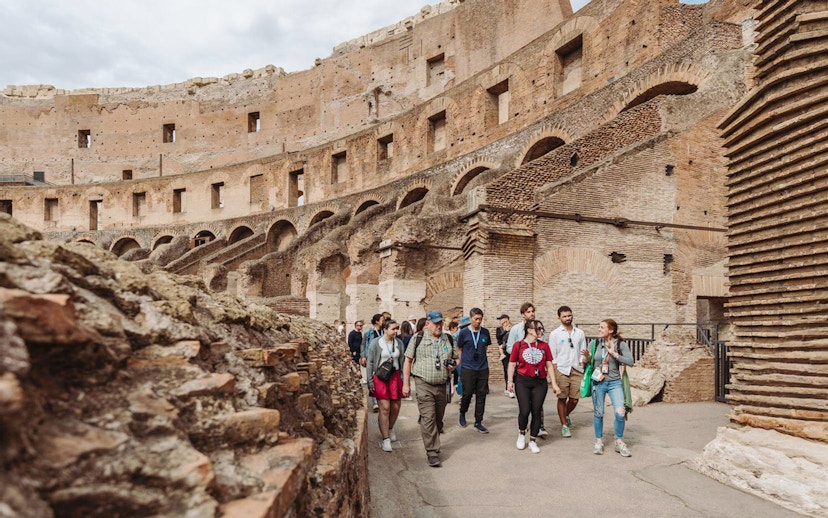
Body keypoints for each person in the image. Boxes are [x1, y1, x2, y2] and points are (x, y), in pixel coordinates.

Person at [402, 310, 458, 467]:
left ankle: (434, 436)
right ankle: (432, 452)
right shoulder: (418, 338)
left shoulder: (448, 338)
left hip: (442, 384)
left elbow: (456, 358)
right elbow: (408, 361)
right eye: (436, 323)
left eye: (441, 323)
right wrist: (406, 383)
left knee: (438, 418)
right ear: (428, 324)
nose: (439, 326)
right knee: (428, 418)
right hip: (423, 383)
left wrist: (454, 366)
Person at [507, 320, 560, 454]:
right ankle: (521, 433)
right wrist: (509, 382)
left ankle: (532, 440)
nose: (542, 331)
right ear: (530, 330)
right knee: (524, 410)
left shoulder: (544, 346)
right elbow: (512, 364)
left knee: (536, 411)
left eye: (542, 328)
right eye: (539, 328)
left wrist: (554, 383)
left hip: (540, 382)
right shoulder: (518, 345)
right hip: (522, 381)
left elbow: (549, 365)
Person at [587, 319, 634, 457]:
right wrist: (585, 358)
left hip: (615, 383)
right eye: (599, 327)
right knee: (598, 413)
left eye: (602, 327)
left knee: (620, 412)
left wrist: (615, 354)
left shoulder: (620, 344)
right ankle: (599, 441)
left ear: (611, 330)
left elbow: (630, 361)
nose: (599, 329)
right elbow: (587, 363)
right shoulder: (594, 344)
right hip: (598, 382)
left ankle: (619, 441)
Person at [506, 303, 548, 437]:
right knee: (525, 407)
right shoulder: (516, 329)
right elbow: (509, 347)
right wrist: (520, 353)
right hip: (522, 368)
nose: (532, 313)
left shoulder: (539, 327)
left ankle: (539, 427)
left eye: (533, 311)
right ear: (523, 314)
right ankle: (522, 430)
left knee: (537, 405)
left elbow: (543, 347)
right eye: (528, 311)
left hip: (537, 370)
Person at [549, 306, 587, 437]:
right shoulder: (555, 334)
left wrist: (583, 361)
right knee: (562, 398)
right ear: (559, 317)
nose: (567, 318)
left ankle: (565, 414)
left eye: (569, 315)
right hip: (561, 369)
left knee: (575, 399)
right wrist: (554, 375)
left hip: (576, 368)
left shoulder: (579, 333)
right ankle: (564, 425)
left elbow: (583, 351)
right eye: (564, 316)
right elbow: (552, 356)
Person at [366, 319, 404, 452]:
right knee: (385, 408)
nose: (396, 331)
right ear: (385, 329)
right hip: (380, 377)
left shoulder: (399, 343)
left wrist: (404, 379)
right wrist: (369, 381)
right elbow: (370, 362)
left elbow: (403, 361)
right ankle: (385, 439)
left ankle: (390, 428)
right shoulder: (376, 343)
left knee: (396, 406)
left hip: (395, 376)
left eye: (396, 329)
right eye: (393, 329)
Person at [457, 308, 491, 433]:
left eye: (480, 319)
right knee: (467, 393)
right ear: (471, 318)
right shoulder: (464, 333)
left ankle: (478, 421)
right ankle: (462, 412)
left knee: (481, 395)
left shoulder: (485, 332)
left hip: (482, 368)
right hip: (468, 368)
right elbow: (460, 348)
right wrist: (463, 362)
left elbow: (485, 347)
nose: (478, 321)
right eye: (476, 319)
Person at [361, 313, 384, 412]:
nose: (384, 321)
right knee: (373, 379)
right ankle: (375, 402)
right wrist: (363, 356)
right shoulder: (368, 333)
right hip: (371, 357)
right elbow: (363, 344)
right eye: (382, 319)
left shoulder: (385, 331)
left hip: (383, 358)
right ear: (377, 321)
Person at [496, 314, 512, 397]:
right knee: (506, 369)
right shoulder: (499, 329)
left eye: (502, 319)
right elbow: (498, 338)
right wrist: (505, 331)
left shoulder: (512, 327)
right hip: (504, 351)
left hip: (512, 351)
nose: (501, 321)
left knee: (514, 370)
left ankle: (511, 387)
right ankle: (508, 388)